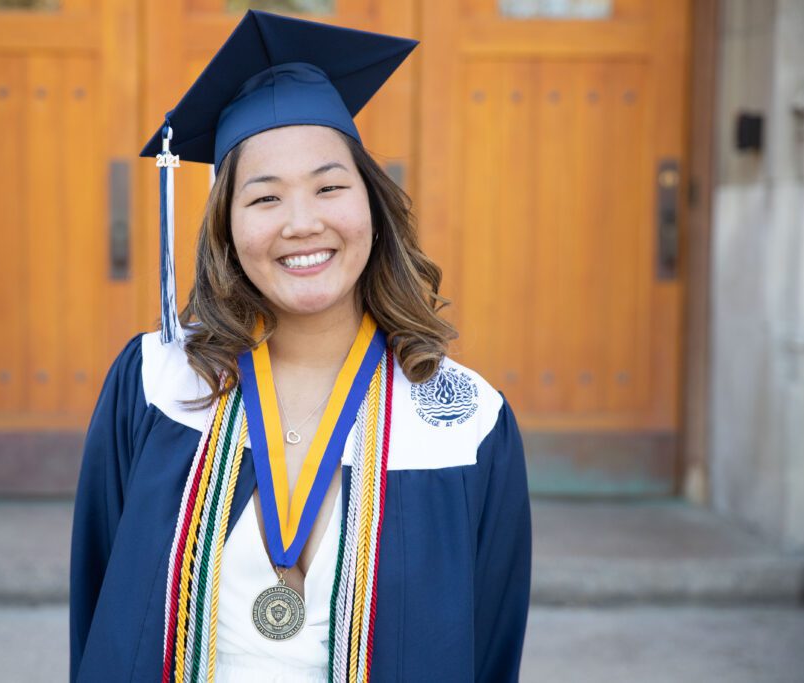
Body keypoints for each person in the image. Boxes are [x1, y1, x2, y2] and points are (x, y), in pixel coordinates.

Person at [69, 10, 531, 683]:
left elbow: (489, 646)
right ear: (226, 225)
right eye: (264, 198)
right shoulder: (157, 385)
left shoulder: (463, 422)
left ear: (371, 205)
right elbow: (99, 607)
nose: (302, 222)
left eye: (329, 186)